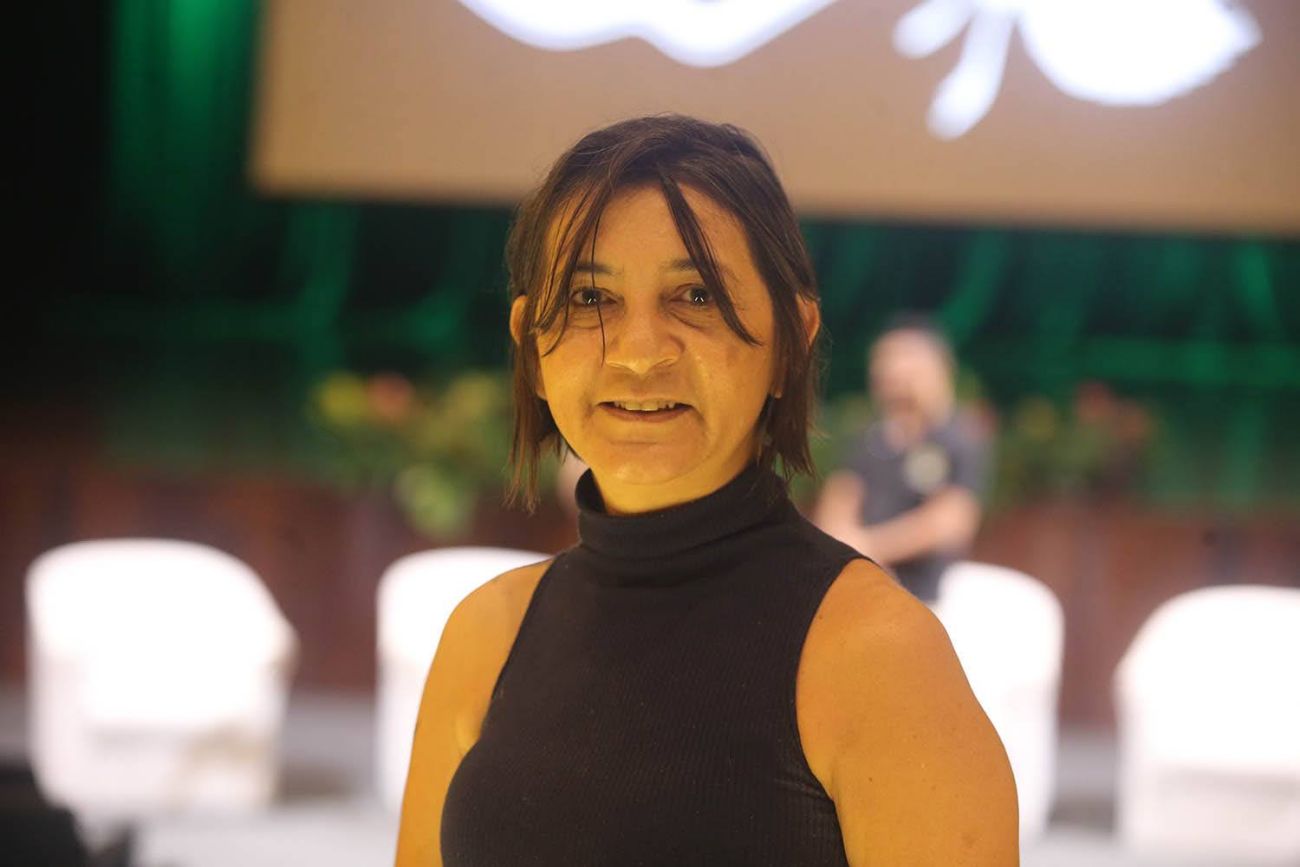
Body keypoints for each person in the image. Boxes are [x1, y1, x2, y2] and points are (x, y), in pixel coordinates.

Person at [395, 115, 1017, 866]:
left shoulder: (879, 656)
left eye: (695, 294)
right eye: (590, 298)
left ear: (791, 339)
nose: (638, 353)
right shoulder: (484, 633)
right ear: (530, 343)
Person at [815, 318, 990, 603]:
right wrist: (850, 552)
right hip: (859, 587)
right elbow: (839, 501)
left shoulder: (959, 438)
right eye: (886, 368)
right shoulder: (868, 439)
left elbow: (952, 521)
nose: (894, 377)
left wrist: (870, 549)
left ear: (938, 370)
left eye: (907, 366)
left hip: (922, 599)